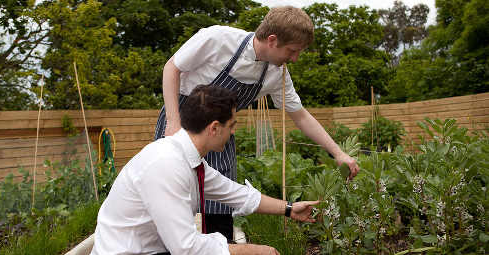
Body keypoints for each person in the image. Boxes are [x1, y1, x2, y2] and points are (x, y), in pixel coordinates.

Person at [154, 6, 360, 240]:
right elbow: (172, 67)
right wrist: (173, 121)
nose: (294, 59)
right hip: (182, 121)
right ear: (272, 40)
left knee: (220, 204)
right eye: (292, 51)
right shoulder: (218, 39)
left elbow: (300, 115)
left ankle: (222, 245)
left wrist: (338, 153)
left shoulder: (277, 74)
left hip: (221, 134)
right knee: (172, 194)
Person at [91, 85, 319, 255]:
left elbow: (235, 193)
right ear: (214, 128)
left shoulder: (190, 160)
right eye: (231, 126)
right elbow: (186, 248)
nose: (233, 134)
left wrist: (289, 209)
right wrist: (255, 251)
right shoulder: (166, 166)